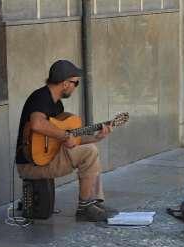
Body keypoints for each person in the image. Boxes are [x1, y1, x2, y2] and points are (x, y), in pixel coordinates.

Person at [15, 60, 113, 222]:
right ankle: (85, 207)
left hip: (48, 158)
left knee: (90, 147)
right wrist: (65, 136)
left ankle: (92, 202)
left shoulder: (57, 106)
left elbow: (71, 139)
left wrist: (96, 137)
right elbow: (37, 123)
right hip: (31, 165)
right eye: (76, 83)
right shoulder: (40, 97)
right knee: (90, 152)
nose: (76, 86)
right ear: (66, 84)